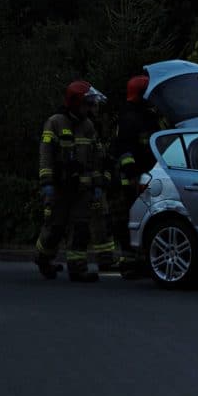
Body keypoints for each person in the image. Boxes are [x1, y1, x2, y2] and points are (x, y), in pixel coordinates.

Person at [33, 81, 104, 282]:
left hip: (82, 189)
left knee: (80, 229)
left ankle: (78, 269)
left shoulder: (88, 126)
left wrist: (97, 184)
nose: (89, 108)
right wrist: (47, 182)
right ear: (74, 103)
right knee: (54, 227)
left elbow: (96, 158)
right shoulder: (54, 123)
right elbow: (45, 154)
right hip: (59, 187)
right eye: (86, 103)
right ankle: (43, 259)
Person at [111, 75, 167, 275]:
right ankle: (128, 260)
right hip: (131, 179)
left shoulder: (147, 115)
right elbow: (124, 148)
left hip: (147, 175)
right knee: (127, 217)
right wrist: (131, 172)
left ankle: (141, 258)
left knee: (143, 217)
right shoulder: (129, 117)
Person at [86, 87, 118, 272]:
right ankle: (102, 259)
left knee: (102, 220)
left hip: (96, 182)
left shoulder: (95, 126)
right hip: (86, 182)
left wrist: (105, 176)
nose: (97, 109)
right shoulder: (83, 126)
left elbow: (102, 156)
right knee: (96, 221)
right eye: (95, 105)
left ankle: (105, 258)